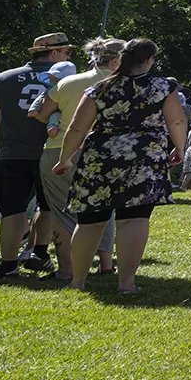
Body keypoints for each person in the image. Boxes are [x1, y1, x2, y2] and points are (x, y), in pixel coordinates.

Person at [53, 38, 187, 293]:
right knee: (134, 219)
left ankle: (78, 281)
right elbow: (177, 122)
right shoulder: (163, 86)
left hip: (100, 157)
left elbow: (77, 127)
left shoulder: (99, 88)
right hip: (145, 157)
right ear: (149, 60)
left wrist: (64, 159)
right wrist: (179, 148)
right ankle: (126, 283)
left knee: (90, 220)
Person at [0, 32, 75, 280]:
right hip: (52, 151)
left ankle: (8, 264)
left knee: (12, 210)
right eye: (66, 51)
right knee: (50, 205)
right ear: (54, 53)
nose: (68, 56)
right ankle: (39, 253)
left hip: (11, 153)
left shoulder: (4, 77)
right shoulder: (70, 80)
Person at [33, 38, 124, 279]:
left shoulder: (67, 82)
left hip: (58, 148)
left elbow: (42, 115)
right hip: (106, 152)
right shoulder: (126, 85)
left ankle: (66, 270)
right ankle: (106, 265)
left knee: (62, 213)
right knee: (104, 209)